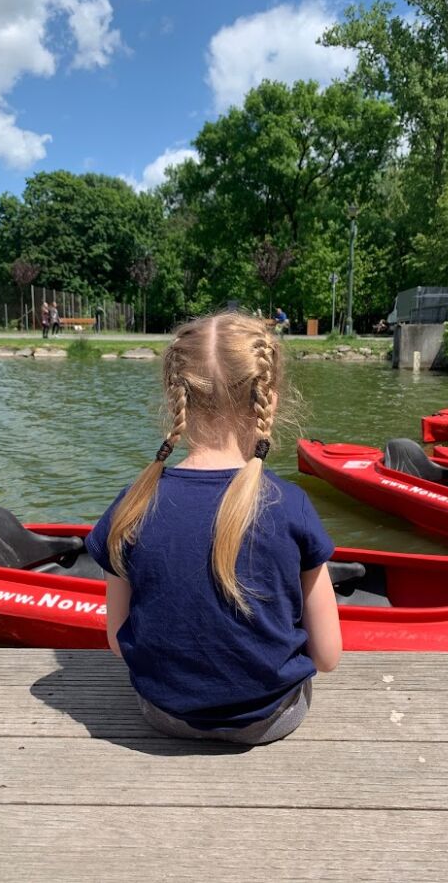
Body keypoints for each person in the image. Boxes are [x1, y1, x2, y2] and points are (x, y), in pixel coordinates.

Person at [85, 312, 341, 744]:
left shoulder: (133, 503)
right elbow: (328, 656)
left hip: (163, 713)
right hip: (270, 720)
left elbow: (116, 639)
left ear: (175, 400)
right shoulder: (290, 504)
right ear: (269, 400)